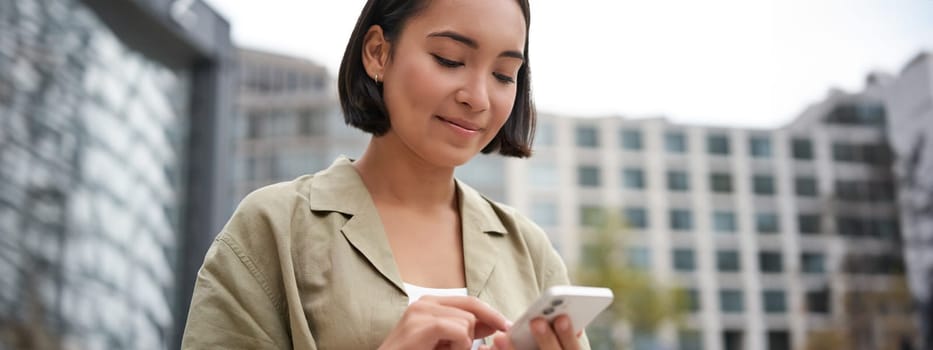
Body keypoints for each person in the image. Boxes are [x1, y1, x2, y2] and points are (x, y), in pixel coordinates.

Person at [181, 0, 589, 349]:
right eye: (449, 59)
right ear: (377, 52)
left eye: (503, 75)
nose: (478, 98)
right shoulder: (274, 228)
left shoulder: (531, 252)